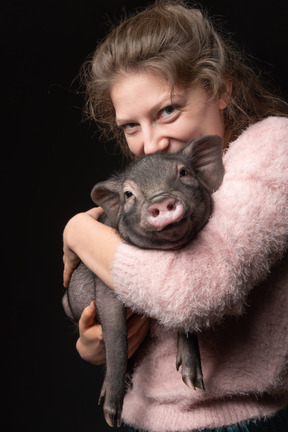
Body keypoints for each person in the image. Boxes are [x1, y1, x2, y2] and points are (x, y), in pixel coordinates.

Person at [62, 1, 288, 431]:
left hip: (233, 423)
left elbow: (191, 293)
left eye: (167, 111)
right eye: (131, 126)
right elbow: (137, 303)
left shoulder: (274, 151)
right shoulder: (154, 187)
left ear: (222, 88)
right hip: (137, 416)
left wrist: (77, 232)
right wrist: (101, 345)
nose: (149, 143)